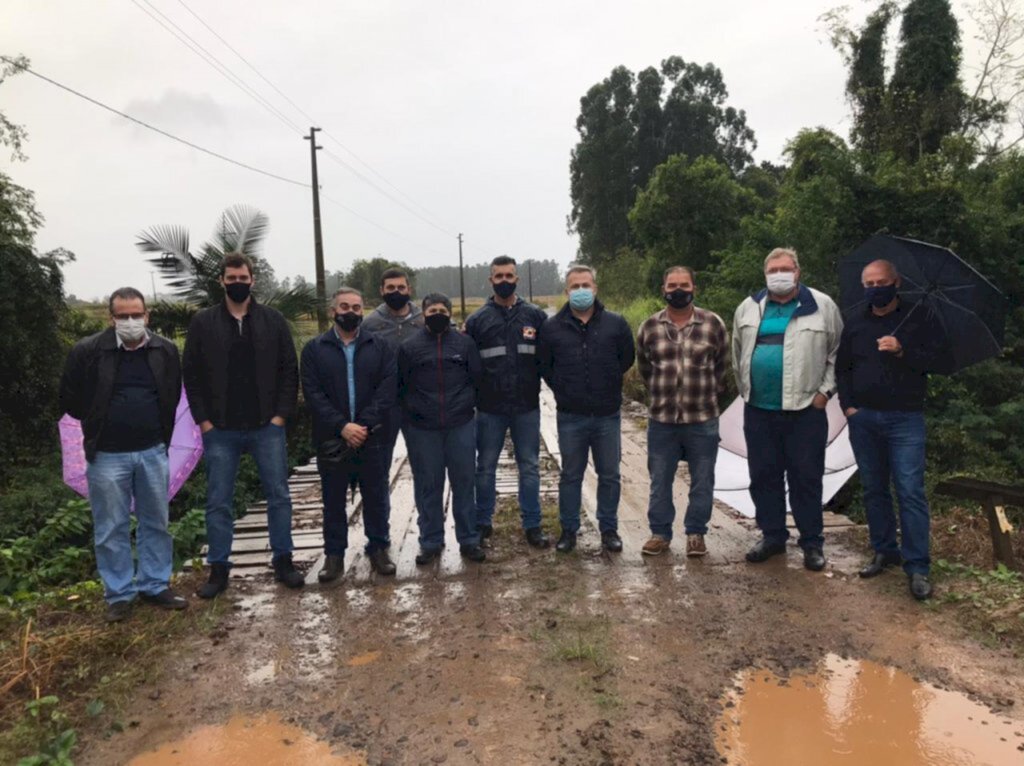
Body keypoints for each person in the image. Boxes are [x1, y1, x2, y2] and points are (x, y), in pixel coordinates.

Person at [59, 287, 186, 622]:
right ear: (110, 317)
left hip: (152, 450)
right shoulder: (87, 352)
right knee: (110, 526)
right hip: (106, 455)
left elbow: (172, 394)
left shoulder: (166, 350)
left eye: (136, 315)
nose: (130, 321)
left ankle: (155, 584)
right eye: (123, 315)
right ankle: (119, 594)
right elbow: (70, 400)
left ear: (147, 315)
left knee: (156, 522)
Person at [182, 252, 303, 597]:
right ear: (221, 281)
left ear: (252, 280)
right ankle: (218, 569)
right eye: (231, 278)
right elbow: (191, 375)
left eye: (243, 278)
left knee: (278, 495)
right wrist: (203, 421)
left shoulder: (273, 321)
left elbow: (288, 370)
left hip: (267, 425)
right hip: (220, 429)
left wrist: (280, 416)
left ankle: (283, 561)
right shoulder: (203, 323)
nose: (238, 283)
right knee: (219, 500)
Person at [837, 259, 947, 600]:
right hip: (864, 418)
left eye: (880, 282)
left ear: (896, 283)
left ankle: (918, 567)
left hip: (905, 419)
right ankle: (884, 550)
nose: (874, 288)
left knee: (910, 491)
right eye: (868, 283)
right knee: (873, 488)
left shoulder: (921, 318)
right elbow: (843, 368)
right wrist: (849, 407)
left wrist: (904, 351)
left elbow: (939, 361)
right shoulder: (856, 321)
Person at [731, 247, 843, 571]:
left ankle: (811, 543)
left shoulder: (822, 306)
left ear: (798, 271)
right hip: (759, 410)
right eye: (773, 269)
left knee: (805, 477)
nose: (779, 274)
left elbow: (838, 353)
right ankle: (773, 536)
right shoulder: (748, 308)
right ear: (765, 274)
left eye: (785, 268)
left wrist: (824, 393)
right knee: (763, 475)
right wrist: (746, 392)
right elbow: (737, 353)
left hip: (806, 411)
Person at [301, 287, 398, 582]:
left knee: (376, 494)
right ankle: (334, 555)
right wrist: (342, 426)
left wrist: (363, 425)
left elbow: (387, 388)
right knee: (332, 498)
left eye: (356, 307)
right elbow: (313, 394)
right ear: (333, 311)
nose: (351, 312)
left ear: (363, 311)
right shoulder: (314, 349)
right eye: (344, 306)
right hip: (332, 438)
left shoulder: (380, 346)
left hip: (372, 435)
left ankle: (379, 548)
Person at [538, 264, 635, 553]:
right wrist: (566, 389)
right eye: (575, 287)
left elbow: (626, 359)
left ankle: (609, 530)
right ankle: (569, 531)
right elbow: (546, 367)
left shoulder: (616, 324)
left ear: (595, 288)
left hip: (607, 414)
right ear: (567, 291)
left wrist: (606, 383)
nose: (581, 291)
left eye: (586, 285)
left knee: (609, 474)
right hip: (571, 416)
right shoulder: (552, 327)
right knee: (571, 475)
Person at [636, 266, 728, 557]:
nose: (678, 290)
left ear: (693, 288)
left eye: (684, 285)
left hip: (702, 418)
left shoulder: (713, 324)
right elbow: (645, 369)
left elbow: (722, 368)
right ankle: (660, 533)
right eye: (672, 285)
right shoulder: (649, 327)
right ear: (663, 289)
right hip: (662, 420)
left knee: (703, 480)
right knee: (660, 479)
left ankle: (696, 534)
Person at [465, 255, 550, 548]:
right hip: (489, 410)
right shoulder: (477, 321)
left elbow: (548, 360)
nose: (504, 281)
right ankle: (483, 522)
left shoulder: (535, 317)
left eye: (509, 276)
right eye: (498, 276)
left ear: (517, 279)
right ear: (491, 281)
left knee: (529, 466)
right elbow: (468, 366)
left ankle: (532, 524)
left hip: (526, 407)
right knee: (485, 467)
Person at [398, 293, 485, 564]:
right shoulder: (409, 347)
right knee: (429, 485)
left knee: (464, 483)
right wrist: (413, 414)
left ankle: (469, 539)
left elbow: (477, 379)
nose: (438, 314)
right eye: (432, 309)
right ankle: (431, 541)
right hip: (423, 429)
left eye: (443, 310)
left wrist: (467, 407)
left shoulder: (465, 343)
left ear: (450, 313)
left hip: (460, 424)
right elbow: (400, 386)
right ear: (423, 314)